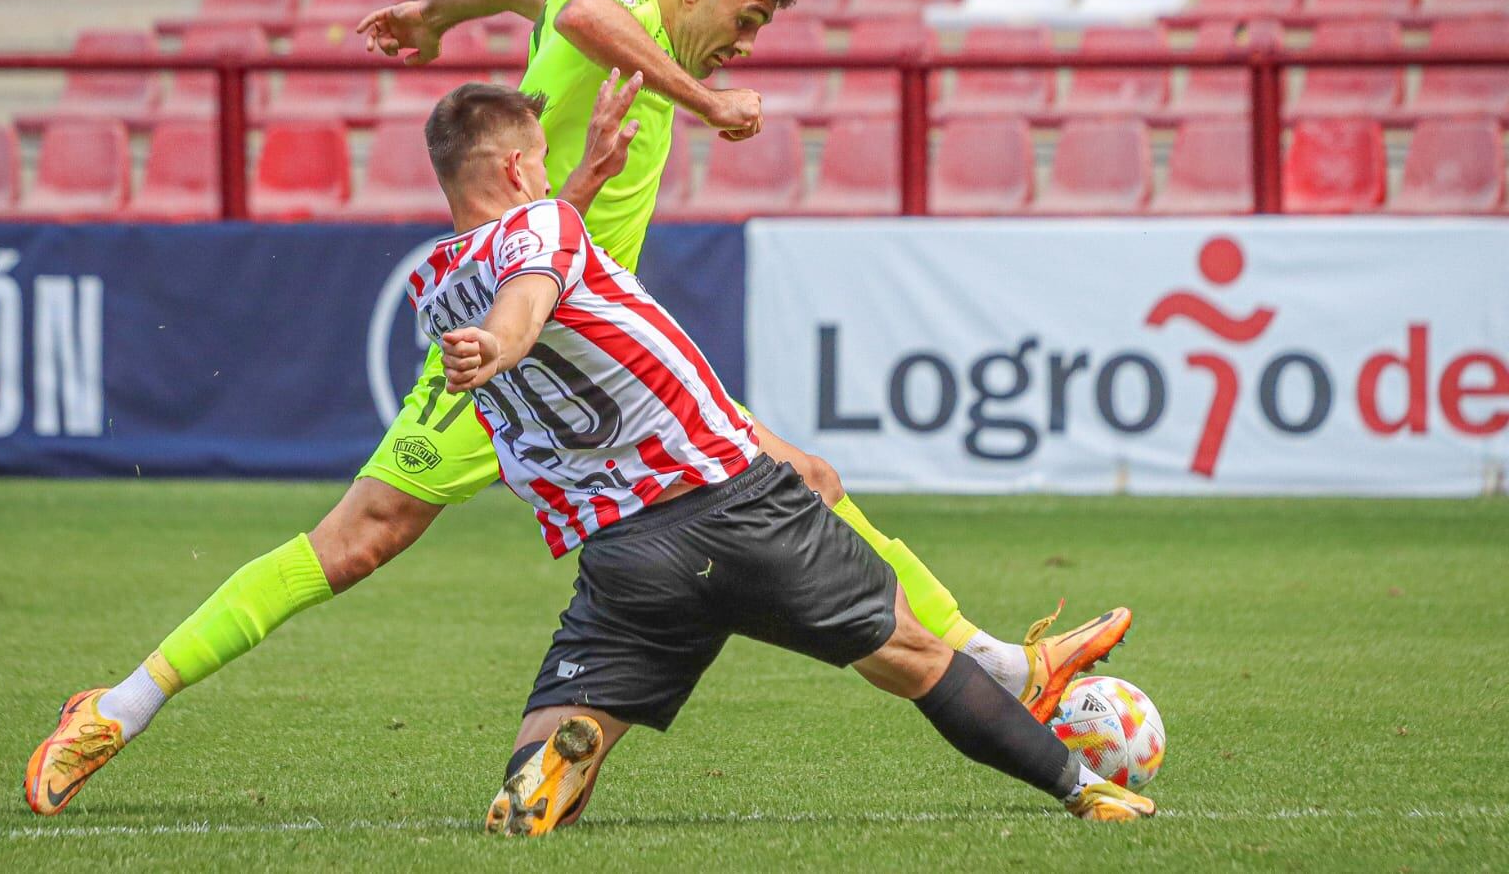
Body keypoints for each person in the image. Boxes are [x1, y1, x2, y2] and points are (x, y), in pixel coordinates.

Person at [25, 0, 1127, 816]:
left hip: (599, 355)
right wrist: (699, 97)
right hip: (521, 342)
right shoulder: (631, 8)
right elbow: (592, 11)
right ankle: (116, 707)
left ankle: (998, 662)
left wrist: (431, 15)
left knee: (806, 478)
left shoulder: (604, 18)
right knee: (356, 541)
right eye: (745, 18)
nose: (747, 46)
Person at [410, 80, 1156, 832]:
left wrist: (558, 229)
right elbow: (527, 297)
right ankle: (1083, 787)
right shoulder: (541, 233)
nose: (545, 178)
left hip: (626, 557)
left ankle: (557, 761)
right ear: (513, 171)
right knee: (915, 657)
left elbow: (527, 267)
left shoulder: (438, 289)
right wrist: (502, 342)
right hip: (736, 506)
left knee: (557, 755)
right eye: (537, 163)